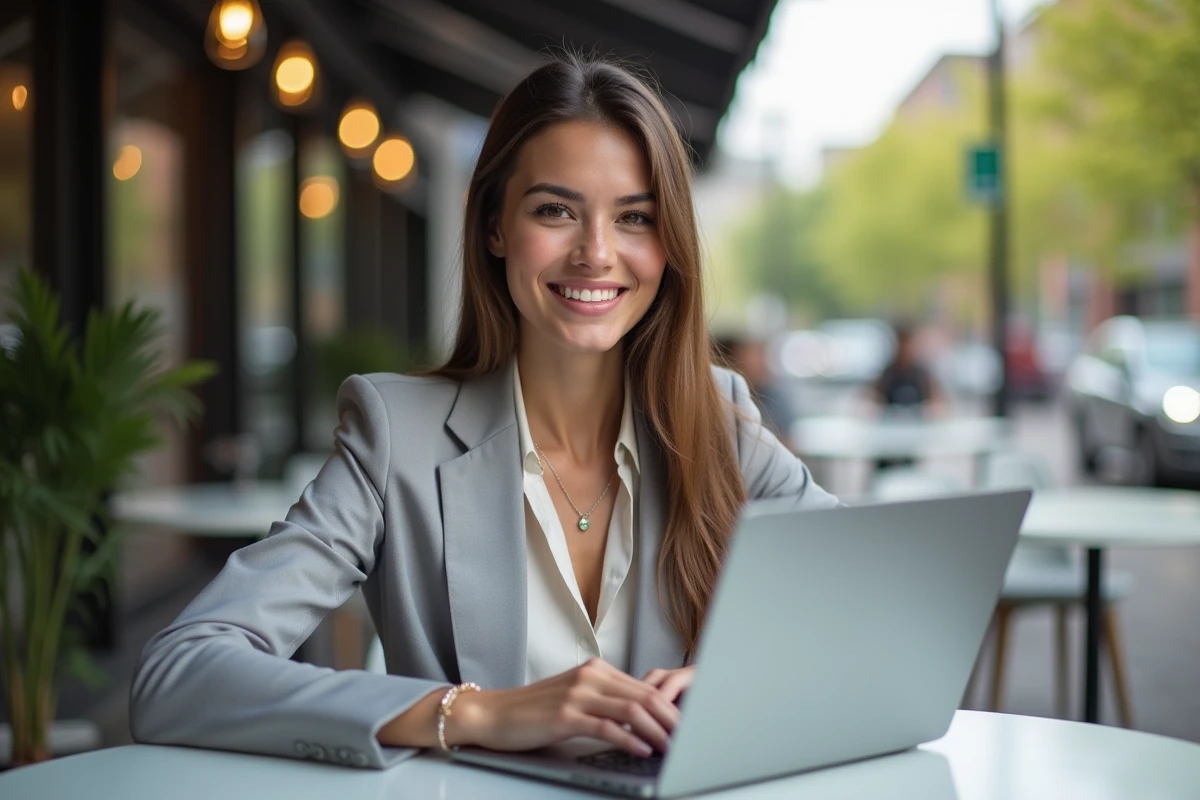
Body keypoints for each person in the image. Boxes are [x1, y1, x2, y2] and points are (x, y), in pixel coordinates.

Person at [129, 54, 837, 770]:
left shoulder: (718, 420)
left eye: (635, 218)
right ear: (494, 225)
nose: (596, 253)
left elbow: (878, 615)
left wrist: (740, 679)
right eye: (555, 210)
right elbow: (180, 673)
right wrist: (474, 712)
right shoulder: (394, 435)